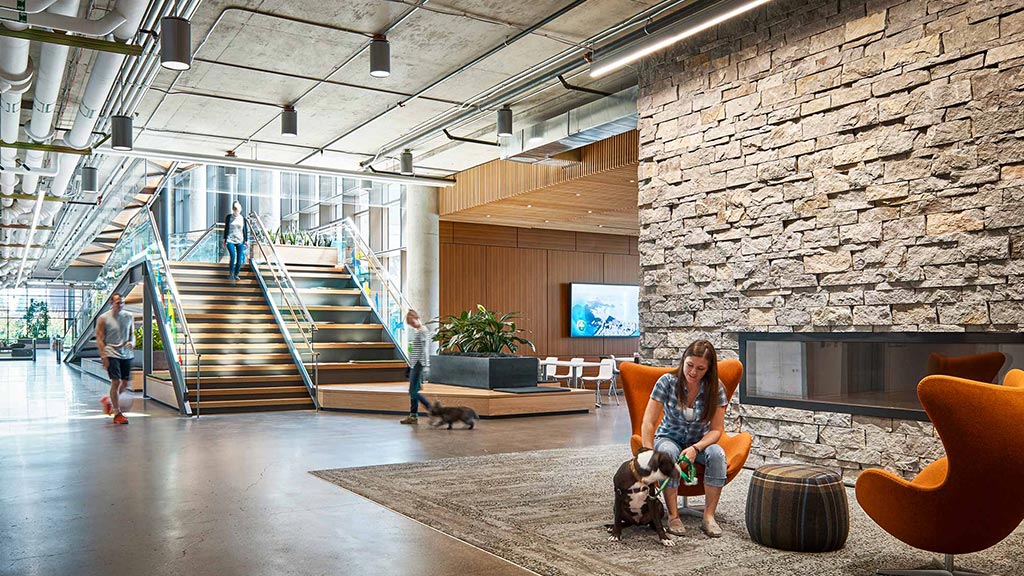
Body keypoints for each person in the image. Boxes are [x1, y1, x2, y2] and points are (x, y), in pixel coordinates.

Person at [640, 339, 729, 538]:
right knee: (668, 453)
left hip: (700, 441)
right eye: (689, 365)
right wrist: (648, 453)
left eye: (700, 368)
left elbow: (716, 430)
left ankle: (708, 517)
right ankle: (673, 515)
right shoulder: (667, 382)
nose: (693, 372)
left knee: (717, 454)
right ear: (683, 361)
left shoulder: (716, 388)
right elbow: (648, 422)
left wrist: (696, 448)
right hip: (668, 437)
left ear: (708, 369)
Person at [96, 293, 135, 425]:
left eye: (122, 302)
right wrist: (103, 356)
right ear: (111, 303)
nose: (121, 305)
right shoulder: (103, 318)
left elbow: (132, 335)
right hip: (111, 352)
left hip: (126, 354)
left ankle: (109, 401)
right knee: (116, 382)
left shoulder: (129, 316)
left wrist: (132, 343)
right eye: (118, 303)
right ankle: (117, 413)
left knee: (125, 384)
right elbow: (100, 339)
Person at [399, 309, 432, 425]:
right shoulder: (419, 331)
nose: (412, 325)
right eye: (410, 324)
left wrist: (426, 365)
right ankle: (413, 416)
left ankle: (431, 409)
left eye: (412, 322)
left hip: (418, 364)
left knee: (413, 392)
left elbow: (424, 349)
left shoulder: (422, 331)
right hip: (415, 364)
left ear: (417, 318)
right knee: (413, 391)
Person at [223, 201, 248, 282]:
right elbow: (226, 228)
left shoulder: (243, 218)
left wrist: (246, 240)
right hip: (230, 239)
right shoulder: (229, 217)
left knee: (239, 258)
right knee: (233, 256)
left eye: (237, 210)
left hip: (240, 240)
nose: (236, 211)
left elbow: (245, 229)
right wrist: (224, 240)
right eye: (235, 210)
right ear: (233, 209)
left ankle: (236, 274)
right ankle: (231, 273)